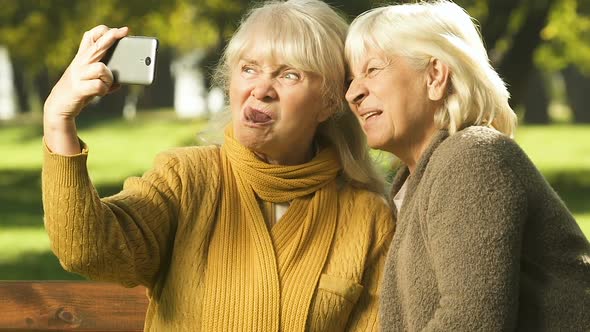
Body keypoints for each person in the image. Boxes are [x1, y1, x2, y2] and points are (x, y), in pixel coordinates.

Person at [42, 0, 395, 331]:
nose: (261, 89)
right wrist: (59, 120)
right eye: (249, 69)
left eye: (289, 75)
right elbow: (88, 250)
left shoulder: (367, 217)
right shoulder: (184, 179)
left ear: (330, 103)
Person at [344, 1, 590, 331]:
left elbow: (470, 320)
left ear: (434, 76)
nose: (352, 93)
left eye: (372, 70)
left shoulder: (471, 157)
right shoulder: (421, 177)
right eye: (351, 78)